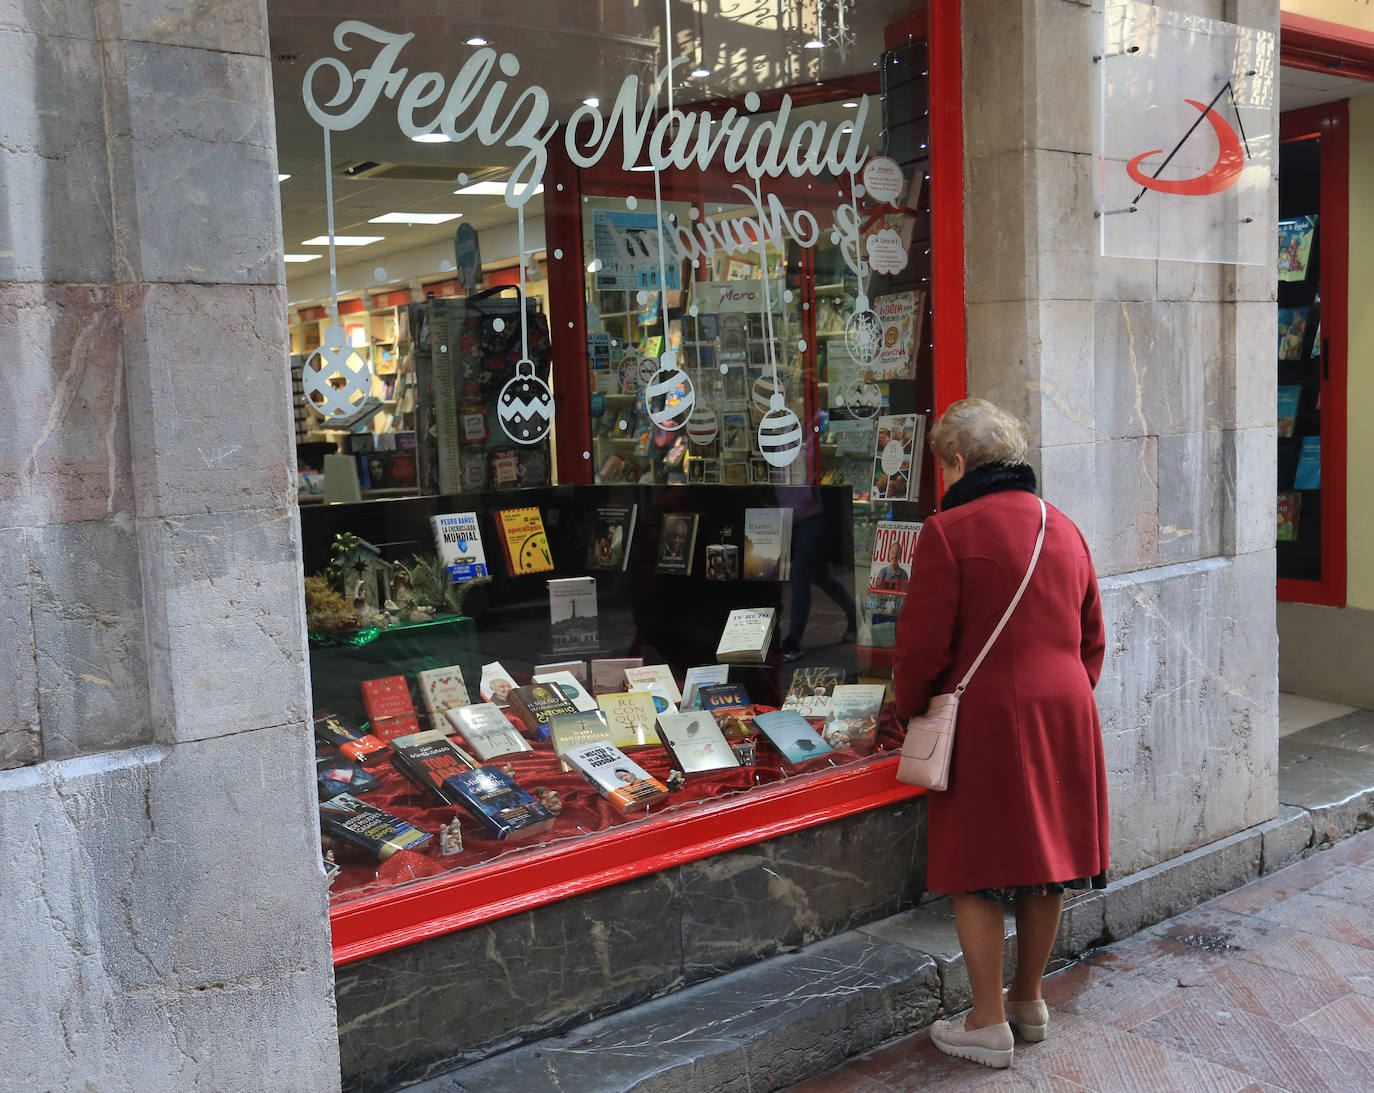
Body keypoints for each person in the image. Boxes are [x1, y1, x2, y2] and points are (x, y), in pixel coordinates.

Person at [892, 398, 1109, 1070]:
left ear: (957, 462)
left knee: (978, 867)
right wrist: (1063, 690)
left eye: (944, 465)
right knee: (1047, 861)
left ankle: (986, 1022)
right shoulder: (1063, 526)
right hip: (1067, 707)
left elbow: (923, 648)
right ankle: (1029, 1001)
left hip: (987, 714)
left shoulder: (948, 531)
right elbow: (1093, 636)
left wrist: (910, 711)